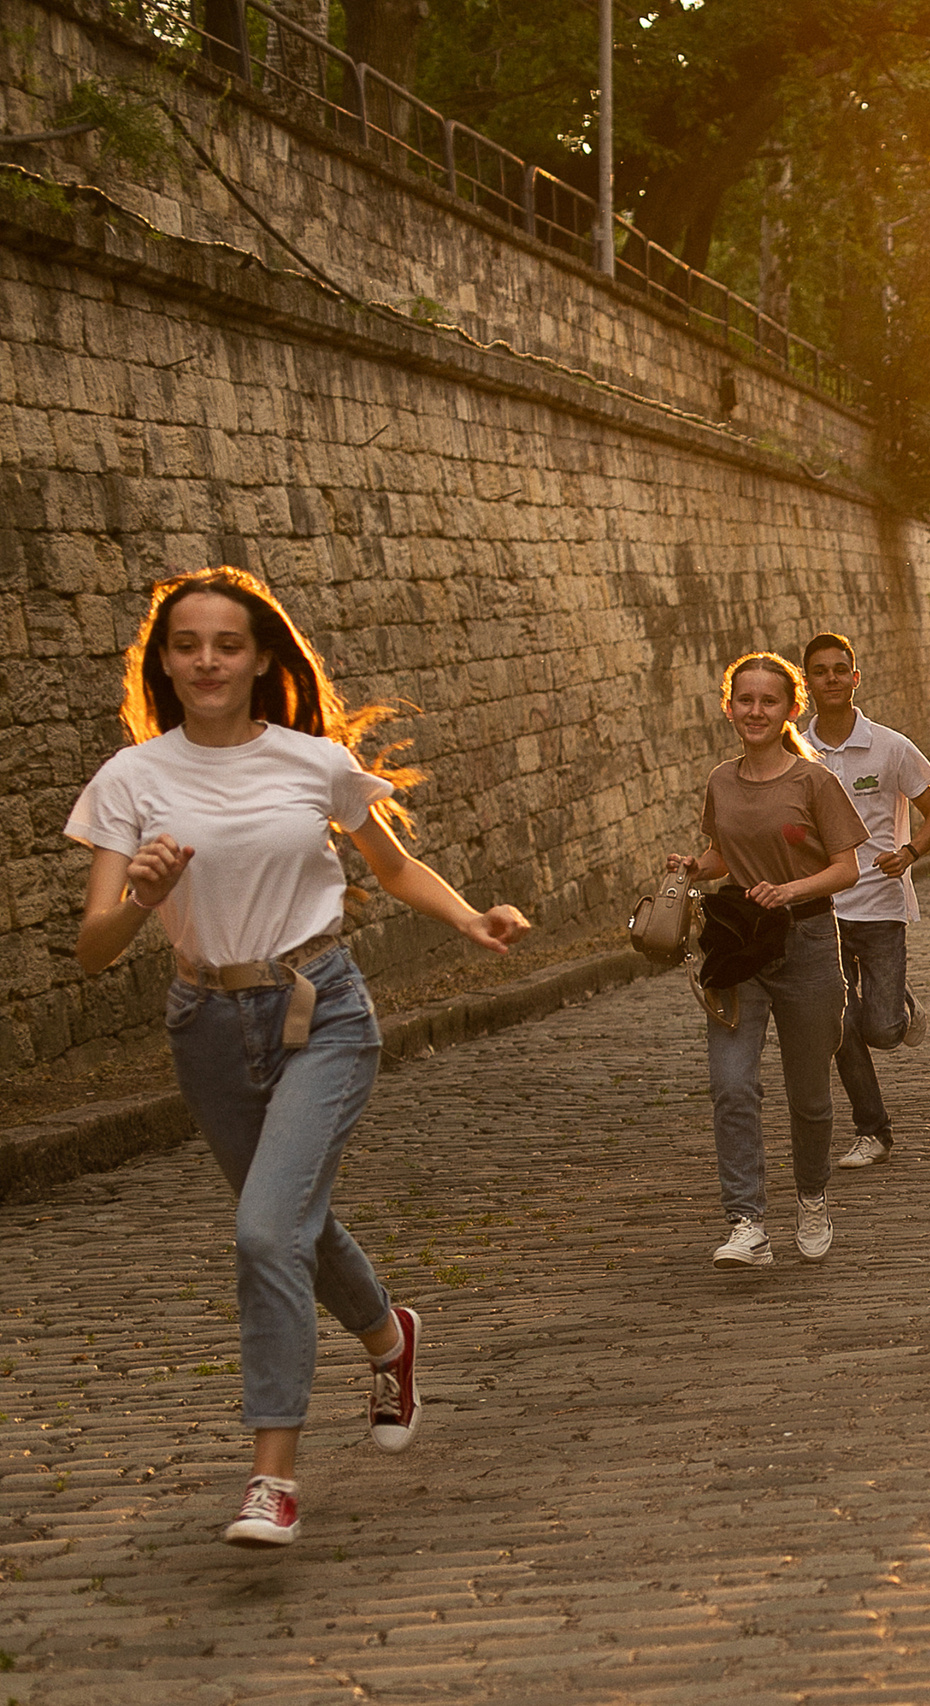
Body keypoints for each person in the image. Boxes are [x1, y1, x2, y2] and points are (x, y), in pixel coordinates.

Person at [64, 568, 531, 1549]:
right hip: (206, 1022)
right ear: (164, 661)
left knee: (263, 1230)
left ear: (261, 657)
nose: (206, 660)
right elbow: (94, 945)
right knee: (288, 1227)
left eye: (226, 644)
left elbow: (392, 865)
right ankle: (387, 1336)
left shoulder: (314, 762)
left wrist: (469, 916)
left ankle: (271, 1477)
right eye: (185, 644)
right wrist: (143, 895)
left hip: (323, 1009)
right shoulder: (130, 780)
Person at [669, 653, 870, 1271]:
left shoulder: (814, 782)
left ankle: (811, 1196)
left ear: (792, 709)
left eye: (770, 702)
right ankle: (747, 1222)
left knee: (809, 1095)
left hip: (806, 943)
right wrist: (696, 867)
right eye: (745, 700)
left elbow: (847, 868)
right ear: (729, 706)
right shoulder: (720, 781)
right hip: (739, 948)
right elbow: (723, 853)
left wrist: (792, 890)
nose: (756, 712)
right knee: (732, 1084)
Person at [799, 632, 930, 1168]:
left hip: (882, 904)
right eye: (821, 671)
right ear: (807, 682)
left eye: (841, 669)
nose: (832, 678)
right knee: (839, 1025)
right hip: (822, 910)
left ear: (856, 677)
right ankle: (873, 1131)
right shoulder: (795, 750)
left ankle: (901, 1007)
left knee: (881, 1029)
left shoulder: (891, 746)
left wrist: (909, 853)